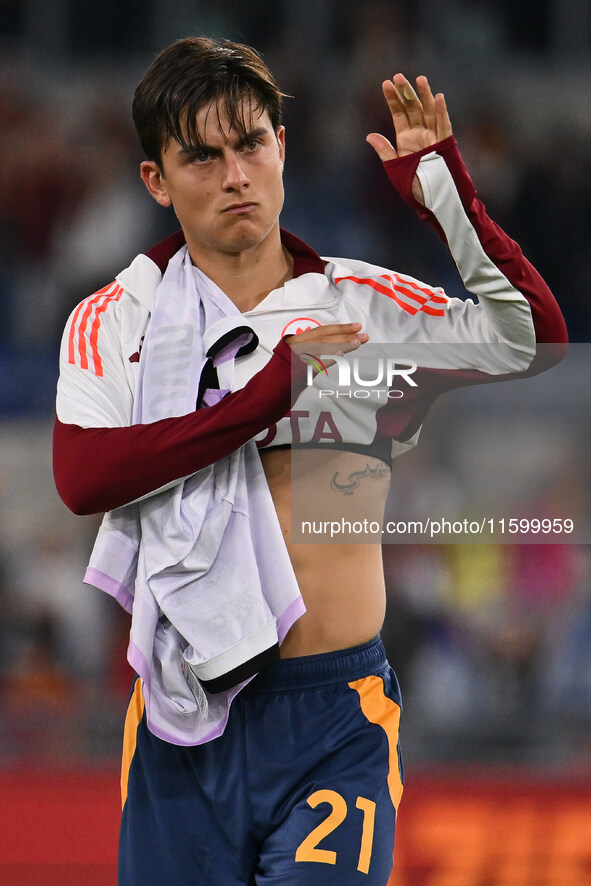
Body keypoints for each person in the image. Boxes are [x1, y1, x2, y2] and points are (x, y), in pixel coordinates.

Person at [53, 37, 567, 886]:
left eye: (252, 143)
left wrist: (444, 196)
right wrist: (272, 393)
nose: (235, 175)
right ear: (156, 180)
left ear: (280, 147)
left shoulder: (366, 306)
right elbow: (83, 478)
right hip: (184, 723)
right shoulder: (114, 320)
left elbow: (533, 341)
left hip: (334, 716)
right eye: (202, 156)